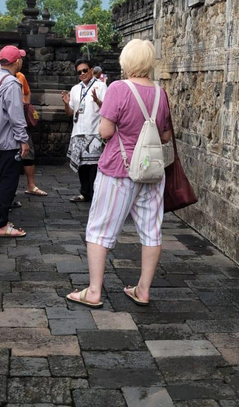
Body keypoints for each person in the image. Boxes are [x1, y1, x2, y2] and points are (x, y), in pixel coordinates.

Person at [66, 39, 171, 308]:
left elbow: (105, 132)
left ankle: (94, 291)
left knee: (100, 229)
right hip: (151, 171)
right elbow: (166, 135)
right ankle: (143, 290)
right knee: (151, 231)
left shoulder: (118, 88)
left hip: (118, 169)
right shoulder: (161, 93)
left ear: (127, 62)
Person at [0, 45, 30, 237]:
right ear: (16, 61)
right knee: (8, 181)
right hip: (9, 140)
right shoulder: (12, 84)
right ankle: (2, 225)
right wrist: (23, 140)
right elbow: (16, 116)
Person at [62, 58, 108, 202]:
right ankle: (84, 192)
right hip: (78, 131)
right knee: (81, 164)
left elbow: (107, 110)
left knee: (93, 165)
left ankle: (95, 194)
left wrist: (97, 101)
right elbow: (70, 113)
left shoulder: (101, 87)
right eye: (79, 72)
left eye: (85, 70)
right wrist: (65, 104)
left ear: (91, 69)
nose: (82, 74)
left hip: (94, 131)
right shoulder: (76, 89)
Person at [15, 62, 47, 197]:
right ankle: (11, 190)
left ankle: (31, 185)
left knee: (28, 152)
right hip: (7, 125)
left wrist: (26, 105)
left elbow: (27, 92)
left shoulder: (20, 76)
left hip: (21, 122)